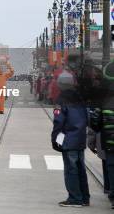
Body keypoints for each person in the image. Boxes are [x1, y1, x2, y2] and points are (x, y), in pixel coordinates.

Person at [51, 73, 90, 208]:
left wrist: (55, 139)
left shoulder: (62, 100)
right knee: (81, 169)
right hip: (80, 138)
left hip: (68, 139)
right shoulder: (80, 97)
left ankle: (75, 198)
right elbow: (88, 117)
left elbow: (58, 122)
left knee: (71, 170)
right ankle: (84, 197)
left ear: (60, 85)